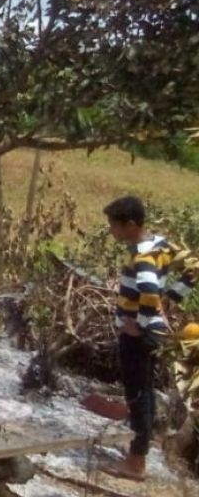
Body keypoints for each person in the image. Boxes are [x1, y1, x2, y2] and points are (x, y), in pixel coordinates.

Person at [102, 195, 197, 481]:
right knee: (144, 391)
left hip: (140, 335)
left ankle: (135, 463)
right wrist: (171, 299)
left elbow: (148, 292)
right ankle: (138, 449)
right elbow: (194, 267)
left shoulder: (142, 257)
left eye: (114, 225)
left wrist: (140, 324)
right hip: (153, 330)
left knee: (137, 395)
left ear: (130, 225)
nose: (111, 231)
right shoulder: (161, 245)